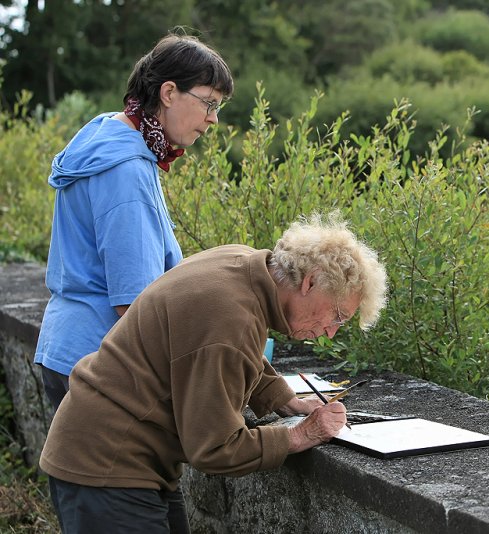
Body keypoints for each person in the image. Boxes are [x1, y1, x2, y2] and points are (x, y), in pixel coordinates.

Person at [39, 214, 388, 534]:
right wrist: (301, 436)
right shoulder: (231, 319)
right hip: (107, 463)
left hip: (126, 455)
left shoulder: (243, 265)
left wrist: (285, 400)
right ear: (309, 283)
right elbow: (216, 448)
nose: (330, 332)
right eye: (338, 316)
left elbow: (231, 354)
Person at [34, 32, 234, 409]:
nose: (213, 119)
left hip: (66, 348)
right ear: (169, 92)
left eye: (218, 107)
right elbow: (135, 301)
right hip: (103, 363)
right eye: (208, 103)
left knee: (67, 470)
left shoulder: (105, 137)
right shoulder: (126, 168)